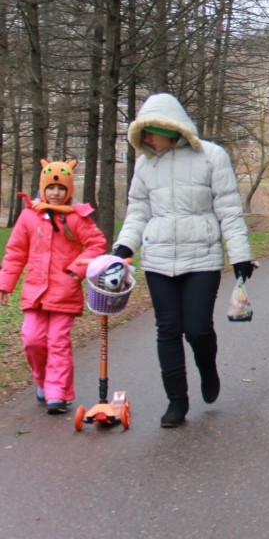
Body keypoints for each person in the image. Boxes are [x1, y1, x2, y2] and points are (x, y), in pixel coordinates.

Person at [112, 93, 255, 428]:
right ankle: (177, 401)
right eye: (142, 133)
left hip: (202, 258)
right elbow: (137, 213)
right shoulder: (145, 164)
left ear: (169, 127)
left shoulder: (211, 156)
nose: (146, 139)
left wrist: (240, 255)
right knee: (168, 330)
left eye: (150, 131)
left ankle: (207, 366)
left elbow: (229, 210)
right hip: (158, 260)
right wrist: (122, 249)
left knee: (198, 328)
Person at [0, 159, 108, 414]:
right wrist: (5, 284)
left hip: (64, 292)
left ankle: (58, 394)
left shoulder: (76, 218)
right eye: (51, 188)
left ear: (68, 191)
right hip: (35, 292)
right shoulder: (29, 217)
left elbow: (97, 244)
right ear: (43, 188)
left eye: (61, 189)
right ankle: (42, 382)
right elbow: (15, 252)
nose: (56, 193)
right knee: (32, 340)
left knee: (58, 341)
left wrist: (76, 270)